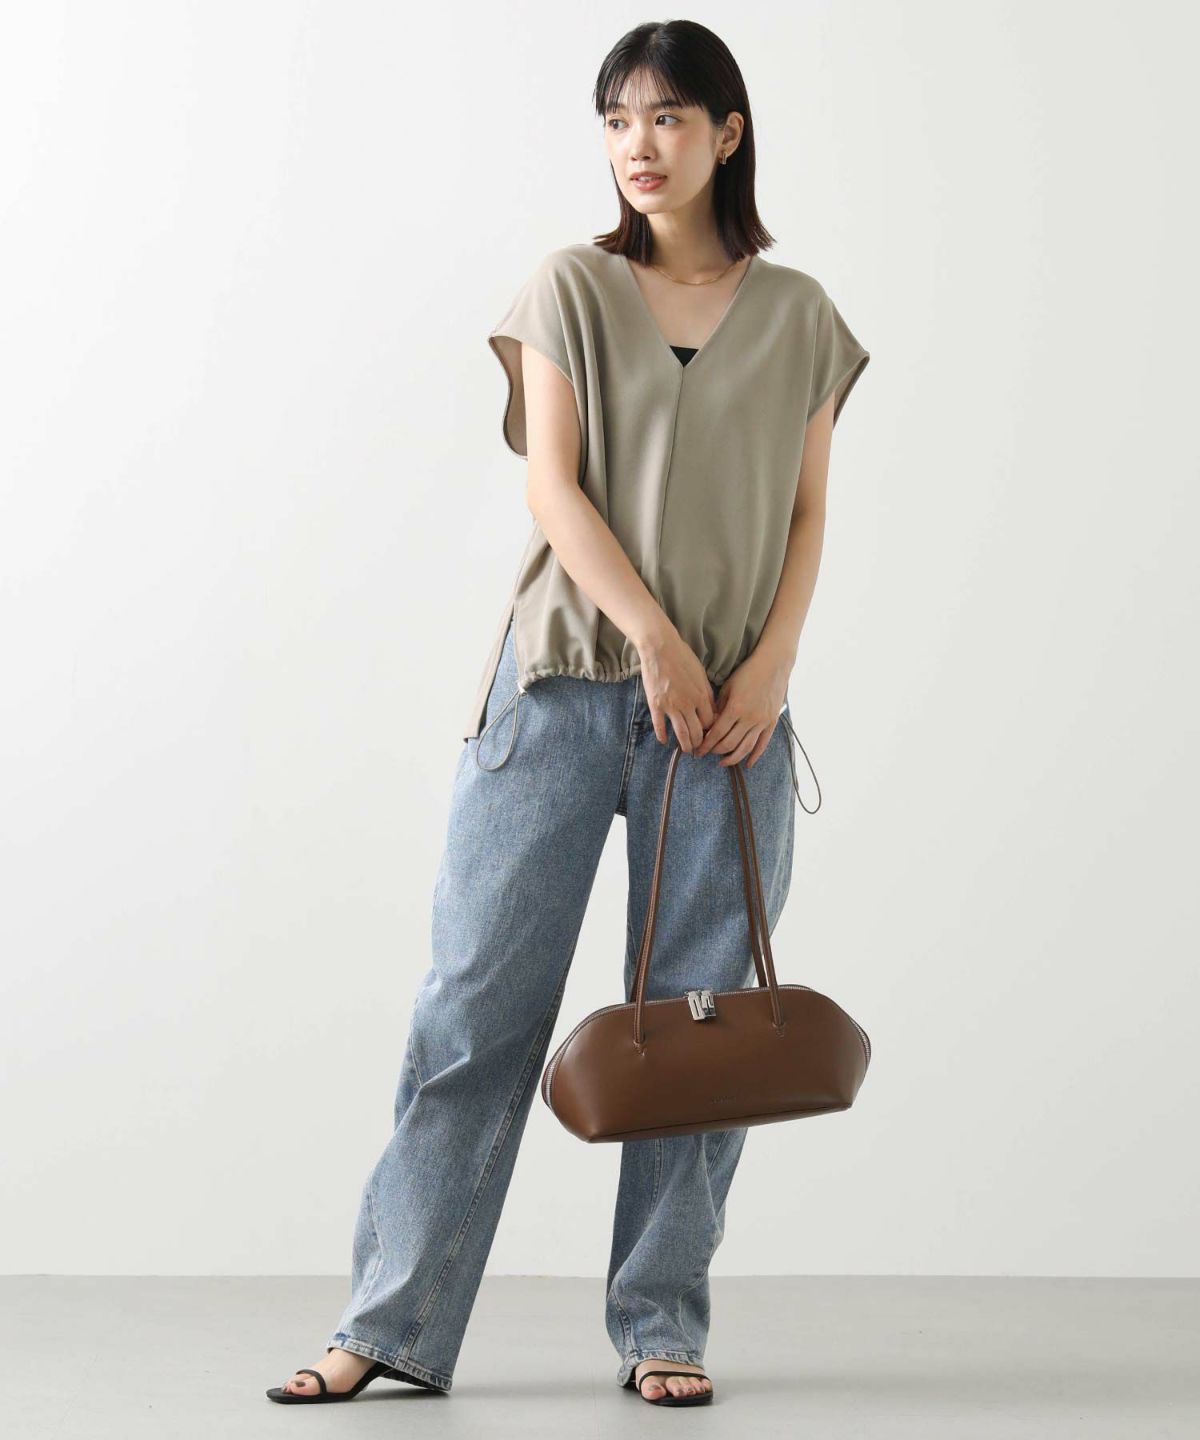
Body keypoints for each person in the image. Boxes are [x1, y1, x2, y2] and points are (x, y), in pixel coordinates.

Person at [267, 18, 868, 1411]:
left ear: (728, 132)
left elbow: (807, 513)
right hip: (559, 689)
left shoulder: (802, 317)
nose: (637, 146)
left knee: (702, 1034)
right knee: (475, 1009)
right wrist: (653, 639)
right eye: (616, 121)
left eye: (667, 118)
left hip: (727, 720)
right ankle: (391, 1322)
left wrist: (771, 669)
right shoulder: (568, 289)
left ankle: (662, 1323)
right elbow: (553, 485)